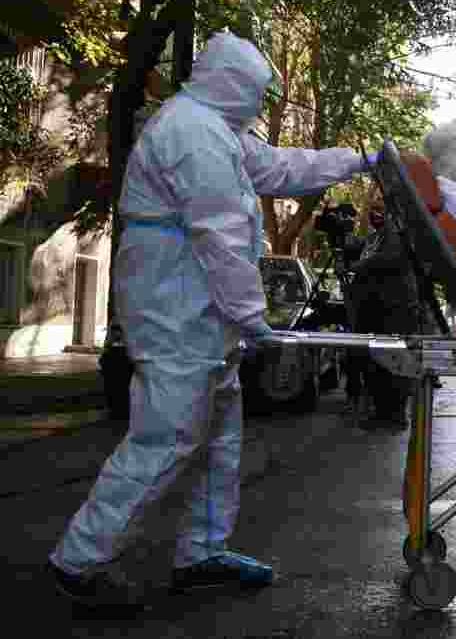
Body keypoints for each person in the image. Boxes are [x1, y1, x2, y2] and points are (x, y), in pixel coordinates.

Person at [48, 31, 378, 608]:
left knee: (220, 437)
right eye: (257, 94)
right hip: (175, 312)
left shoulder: (215, 128)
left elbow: (280, 167)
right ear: (233, 86)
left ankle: (201, 551)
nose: (261, 105)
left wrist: (361, 158)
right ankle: (81, 559)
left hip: (199, 314)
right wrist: (256, 321)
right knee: (167, 436)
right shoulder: (191, 135)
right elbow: (222, 241)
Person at [347, 198, 422, 430]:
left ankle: (394, 415)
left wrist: (358, 266)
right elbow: (361, 248)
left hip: (394, 311)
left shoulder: (396, 232)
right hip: (376, 310)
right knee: (377, 365)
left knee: (392, 366)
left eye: (379, 210)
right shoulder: (376, 235)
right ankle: (382, 412)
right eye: (372, 210)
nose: (375, 214)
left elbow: (389, 258)